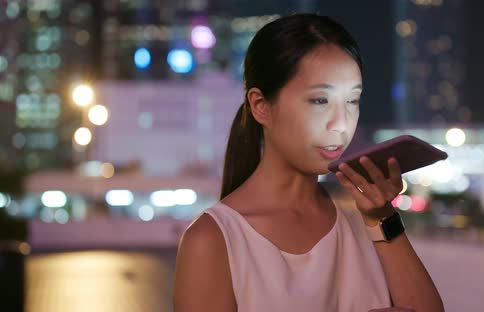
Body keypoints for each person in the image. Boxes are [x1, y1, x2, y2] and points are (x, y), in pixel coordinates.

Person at [174, 13, 444, 312]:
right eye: (320, 101)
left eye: (352, 101)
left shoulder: (368, 221)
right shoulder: (213, 239)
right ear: (261, 106)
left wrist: (383, 217)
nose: (340, 124)